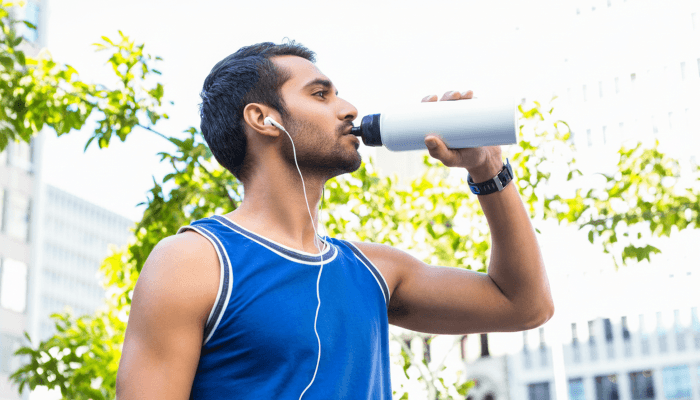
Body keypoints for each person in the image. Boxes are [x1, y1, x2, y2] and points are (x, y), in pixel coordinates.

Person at [115, 40, 554, 399]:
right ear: (263, 118)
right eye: (320, 94)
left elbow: (526, 305)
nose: (347, 108)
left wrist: (488, 170)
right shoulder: (194, 262)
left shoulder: (376, 271)